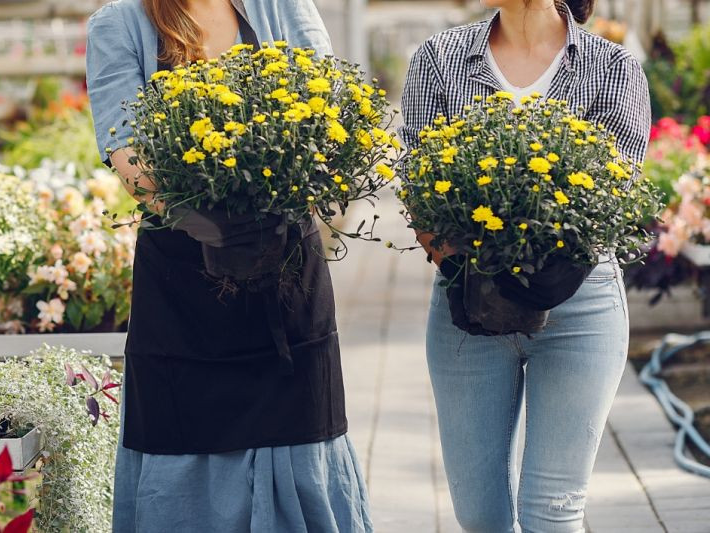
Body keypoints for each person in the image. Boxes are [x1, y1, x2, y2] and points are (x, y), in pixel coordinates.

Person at [86, 1, 371, 531]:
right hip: (183, 294)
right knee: (185, 452)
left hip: (287, 278)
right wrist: (209, 222)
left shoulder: (282, 6)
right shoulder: (119, 22)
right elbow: (128, 154)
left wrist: (283, 200)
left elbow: (332, 114)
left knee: (303, 447)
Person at [399, 0, 650, 531]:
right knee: (480, 516)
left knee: (553, 511)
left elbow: (615, 195)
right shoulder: (439, 59)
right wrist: (464, 268)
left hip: (580, 304)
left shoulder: (612, 67)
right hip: (469, 302)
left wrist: (541, 272)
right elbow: (420, 190)